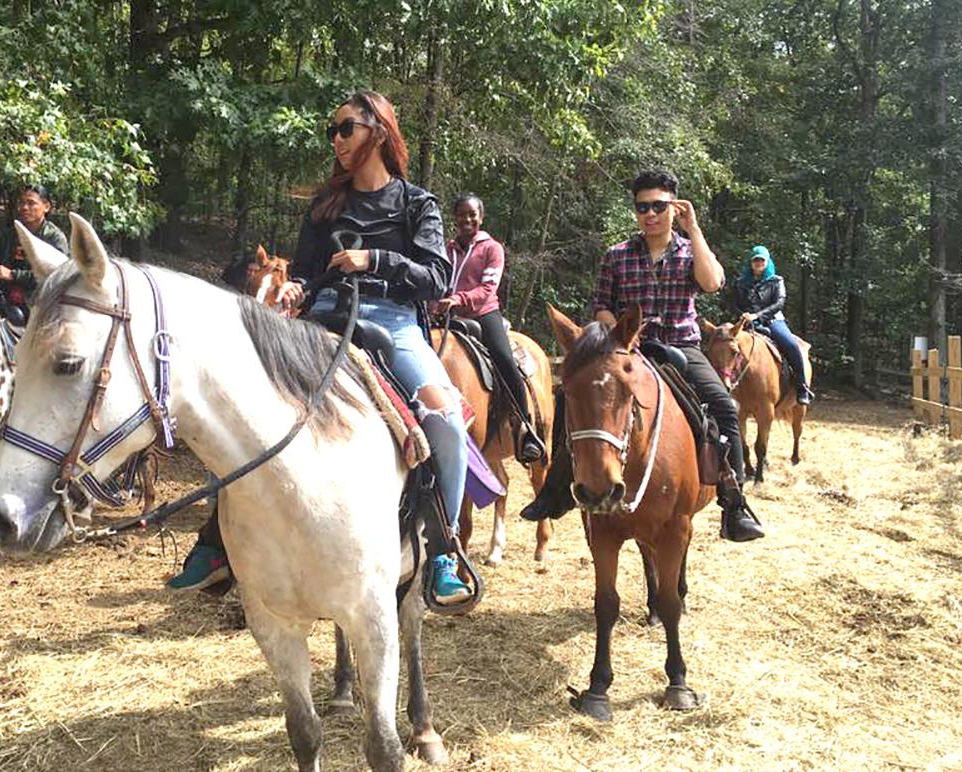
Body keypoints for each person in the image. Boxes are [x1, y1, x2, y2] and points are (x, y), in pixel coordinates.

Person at [168, 90, 473, 605]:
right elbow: (307, 274)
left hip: (395, 323)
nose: (335, 139)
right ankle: (217, 543)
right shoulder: (325, 206)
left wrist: (372, 259)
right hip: (323, 321)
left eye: (345, 128)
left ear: (377, 130)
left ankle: (443, 549)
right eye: (332, 131)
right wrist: (297, 288)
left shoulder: (417, 204)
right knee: (240, 403)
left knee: (444, 418)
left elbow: (436, 277)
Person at [520, 169, 766, 543]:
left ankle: (734, 502)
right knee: (568, 399)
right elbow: (601, 306)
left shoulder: (689, 250)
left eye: (658, 206)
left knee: (724, 408)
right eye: (642, 207)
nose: (649, 214)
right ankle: (555, 491)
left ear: (674, 208)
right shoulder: (616, 255)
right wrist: (619, 335)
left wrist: (694, 229)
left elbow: (713, 282)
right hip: (626, 348)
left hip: (681, 347)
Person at [433, 192, 545, 464]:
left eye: (472, 214)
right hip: (447, 315)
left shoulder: (491, 248)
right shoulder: (446, 250)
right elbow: (436, 279)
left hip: (483, 314)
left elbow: (487, 289)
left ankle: (526, 428)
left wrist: (458, 299)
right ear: (455, 218)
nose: (467, 219)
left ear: (480, 217)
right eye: (461, 215)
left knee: (505, 360)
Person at [0, 185, 68, 325]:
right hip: (5, 294)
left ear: (46, 207)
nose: (25, 208)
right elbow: (0, 265)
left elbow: (55, 277)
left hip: (36, 299)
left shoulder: (54, 238)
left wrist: (13, 275)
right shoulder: (10, 234)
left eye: (31, 203)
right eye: (22, 203)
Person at [735, 245, 812, 404]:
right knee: (726, 343)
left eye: (761, 260)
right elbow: (734, 302)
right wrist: (743, 314)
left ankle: (801, 386)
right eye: (755, 260)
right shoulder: (741, 282)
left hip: (772, 320)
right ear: (750, 262)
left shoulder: (776, 280)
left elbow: (779, 302)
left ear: (767, 262)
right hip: (747, 322)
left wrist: (758, 315)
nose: (758, 263)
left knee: (790, 344)